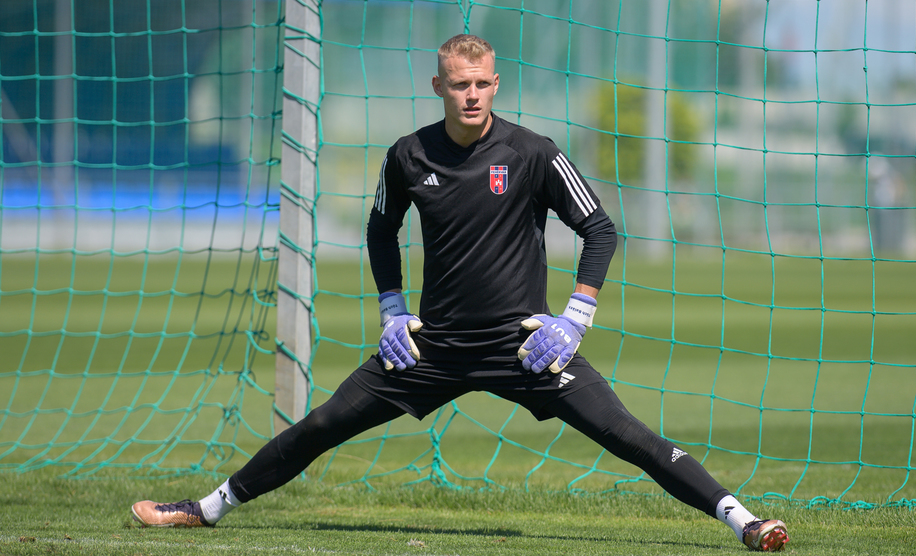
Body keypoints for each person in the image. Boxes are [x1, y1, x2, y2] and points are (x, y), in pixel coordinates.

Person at [131, 34, 790, 552]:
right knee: (323, 424)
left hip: (525, 349)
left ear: (495, 84)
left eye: (481, 84)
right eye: (459, 85)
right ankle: (204, 509)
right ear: (439, 87)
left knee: (626, 434)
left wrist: (574, 320)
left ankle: (745, 522)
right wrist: (392, 310)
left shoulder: (533, 152)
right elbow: (380, 230)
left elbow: (599, 228)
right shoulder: (407, 155)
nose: (471, 95)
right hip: (432, 349)